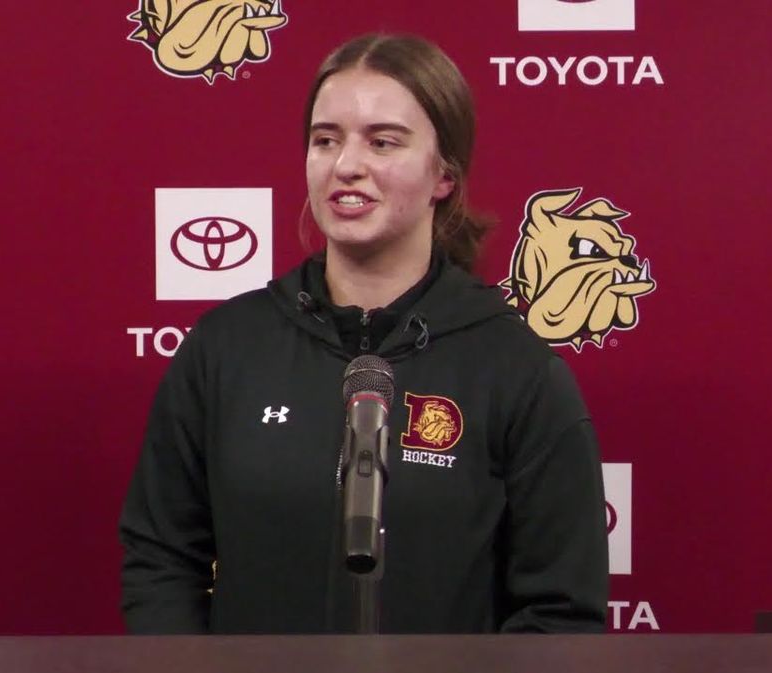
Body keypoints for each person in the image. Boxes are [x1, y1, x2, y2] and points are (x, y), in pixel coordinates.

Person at [119, 33, 608, 634]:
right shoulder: (225, 348)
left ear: (444, 174)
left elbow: (560, 612)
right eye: (326, 140)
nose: (346, 165)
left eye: (383, 141)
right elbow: (161, 561)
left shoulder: (515, 368)